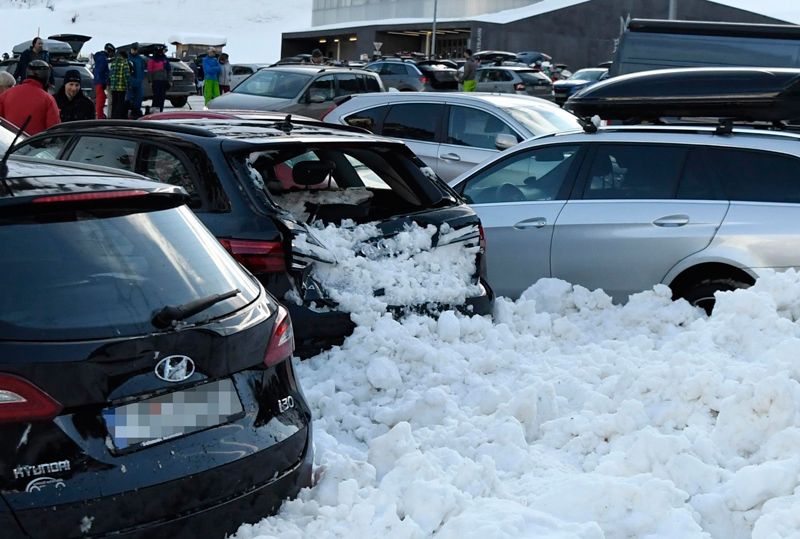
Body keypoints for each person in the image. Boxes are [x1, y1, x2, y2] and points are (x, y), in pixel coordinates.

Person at [0, 60, 60, 135]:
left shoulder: (6, 94)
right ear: (46, 76)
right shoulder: (48, 99)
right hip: (34, 144)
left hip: (8, 143)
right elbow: (54, 131)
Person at [147, 44, 172, 112]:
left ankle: (160, 110)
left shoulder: (165, 59)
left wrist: (170, 80)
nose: (165, 52)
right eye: (164, 50)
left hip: (164, 80)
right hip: (156, 81)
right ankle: (154, 111)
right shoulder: (152, 59)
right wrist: (150, 81)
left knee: (162, 97)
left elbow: (169, 70)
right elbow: (150, 70)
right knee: (156, 97)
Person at [93, 43, 114, 119]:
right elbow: (101, 71)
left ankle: (100, 116)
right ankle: (100, 117)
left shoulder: (100, 57)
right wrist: (103, 82)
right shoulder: (103, 58)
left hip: (99, 82)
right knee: (101, 101)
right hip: (100, 82)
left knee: (100, 100)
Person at [127, 43, 147, 118]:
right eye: (133, 49)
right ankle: (127, 112)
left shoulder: (140, 59)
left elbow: (142, 69)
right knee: (128, 98)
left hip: (138, 82)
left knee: (139, 97)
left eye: (135, 49)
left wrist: (141, 78)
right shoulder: (128, 58)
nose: (134, 51)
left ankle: (136, 112)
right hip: (130, 82)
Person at [109, 50, 131, 119]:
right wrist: (128, 86)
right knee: (120, 103)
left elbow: (110, 74)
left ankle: (113, 117)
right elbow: (126, 75)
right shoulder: (124, 62)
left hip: (113, 87)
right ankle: (117, 118)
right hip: (121, 87)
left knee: (114, 103)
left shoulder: (113, 62)